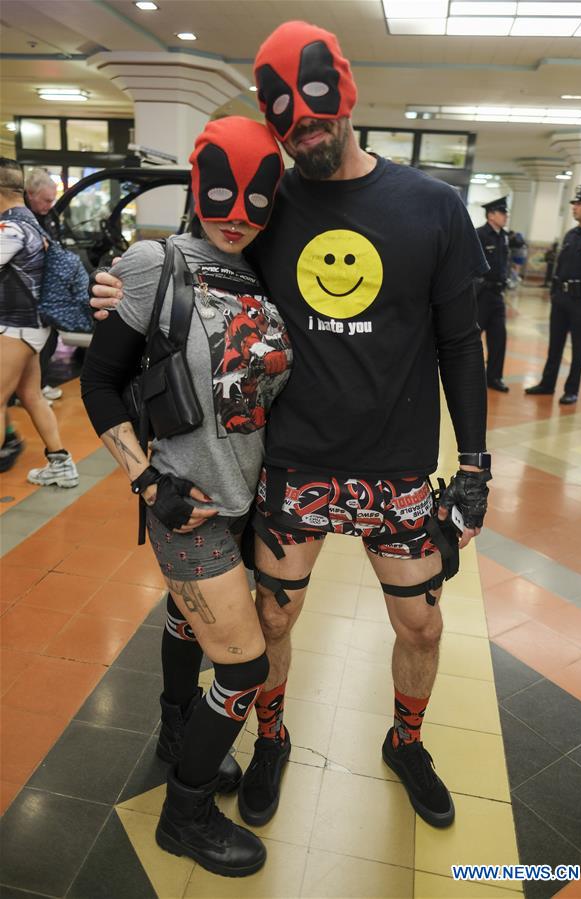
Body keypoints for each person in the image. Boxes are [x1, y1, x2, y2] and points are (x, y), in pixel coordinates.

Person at [90, 20, 492, 832]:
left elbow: (460, 342)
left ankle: (405, 740)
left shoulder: (434, 206)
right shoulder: (272, 203)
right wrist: (117, 290)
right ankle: (269, 736)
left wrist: (476, 464)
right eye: (285, 114)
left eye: (314, 106)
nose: (302, 125)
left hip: (397, 465)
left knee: (421, 619)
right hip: (294, 460)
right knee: (273, 619)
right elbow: (205, 257)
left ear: (343, 93)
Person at [81, 117, 292, 878]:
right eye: (223, 196)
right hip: (187, 502)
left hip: (250, 500)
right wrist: (146, 479)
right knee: (241, 668)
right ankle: (186, 812)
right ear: (199, 189)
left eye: (256, 200)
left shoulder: (269, 270)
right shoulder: (151, 262)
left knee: (183, 617)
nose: (237, 215)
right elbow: (98, 382)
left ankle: (177, 734)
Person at [0, 157, 79, 488]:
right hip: (32, 327)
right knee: (31, 395)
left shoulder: (11, 228)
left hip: (15, 328)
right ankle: (61, 464)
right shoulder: (32, 223)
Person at [525, 184, 581, 405]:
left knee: (579, 348)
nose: (574, 207)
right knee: (555, 345)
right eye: (573, 204)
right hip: (561, 298)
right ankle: (547, 384)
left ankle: (571, 390)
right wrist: (553, 292)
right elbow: (561, 266)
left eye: (579, 204)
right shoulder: (571, 234)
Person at [25, 168, 62, 402]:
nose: (50, 204)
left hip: (46, 290)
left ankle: (39, 385)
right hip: (27, 293)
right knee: (31, 344)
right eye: (46, 200)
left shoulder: (47, 217)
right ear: (30, 194)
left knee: (50, 337)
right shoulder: (21, 220)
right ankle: (28, 392)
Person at [475, 197, 511, 392]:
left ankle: (494, 377)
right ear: (491, 215)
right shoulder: (479, 235)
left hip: (498, 295)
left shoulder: (503, 237)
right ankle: (468, 376)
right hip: (482, 294)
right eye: (502, 212)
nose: (506, 216)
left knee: (499, 337)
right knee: (472, 339)